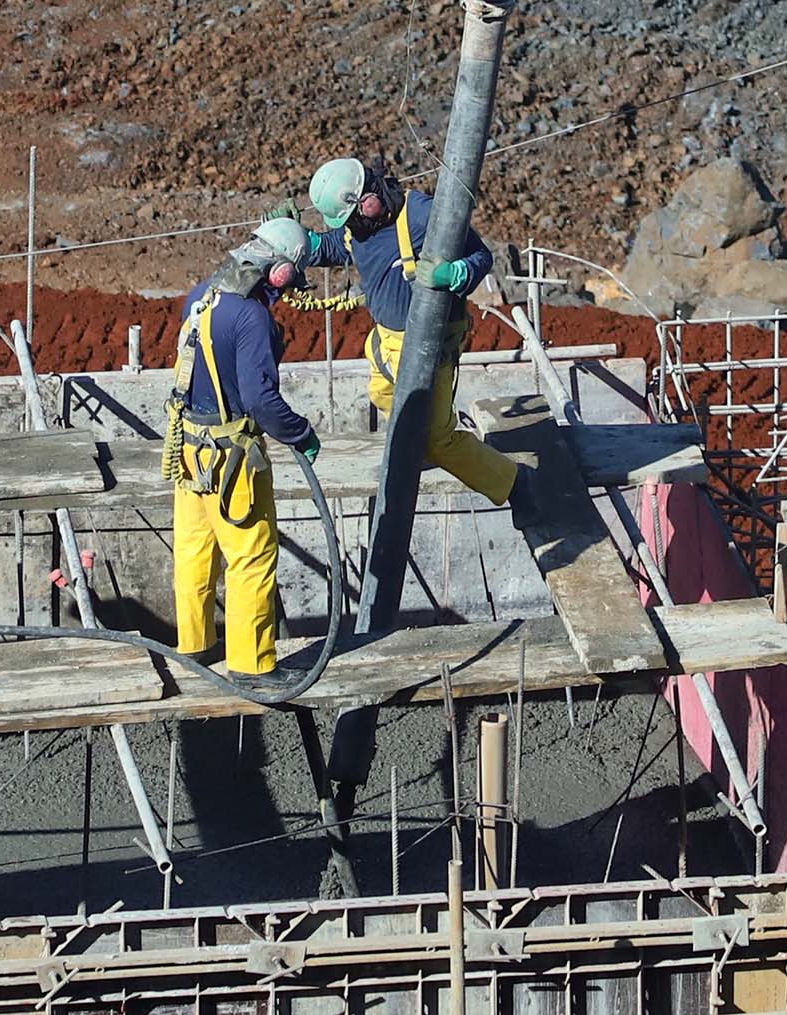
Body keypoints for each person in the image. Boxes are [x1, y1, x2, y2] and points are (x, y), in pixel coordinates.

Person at [304, 154, 524, 508]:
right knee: (381, 394)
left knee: (439, 438)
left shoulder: (420, 215)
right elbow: (339, 244)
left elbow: (481, 255)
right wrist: (303, 244)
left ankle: (516, 484)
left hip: (427, 343)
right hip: (388, 342)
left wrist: (455, 275)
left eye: (352, 217)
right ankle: (419, 445)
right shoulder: (362, 226)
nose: (352, 226)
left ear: (367, 198)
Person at [169, 216, 319, 677]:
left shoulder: (203, 295)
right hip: (232, 458)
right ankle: (253, 666)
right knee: (250, 556)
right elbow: (260, 399)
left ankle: (193, 646)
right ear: (278, 273)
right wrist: (300, 434)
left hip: (191, 450)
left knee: (195, 550)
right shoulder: (252, 317)